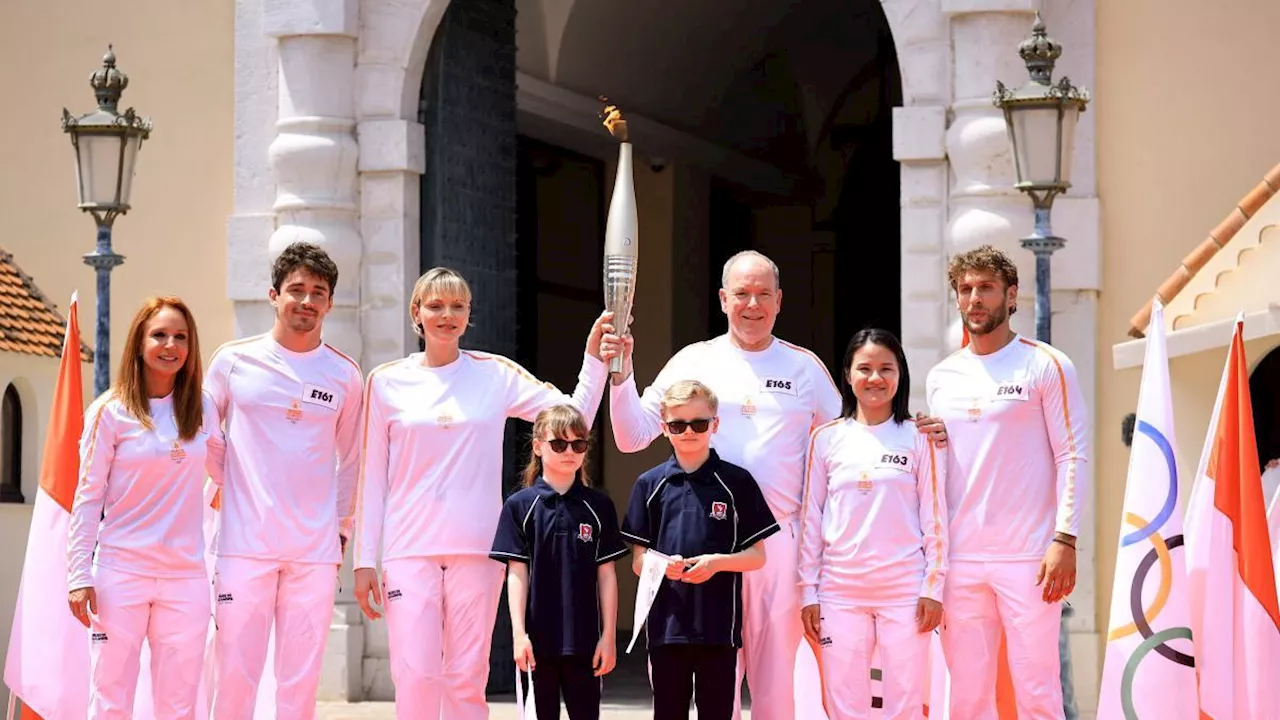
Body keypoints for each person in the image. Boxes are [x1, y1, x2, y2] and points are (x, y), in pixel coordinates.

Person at [607, 249, 948, 719]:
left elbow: (852, 438)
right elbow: (631, 434)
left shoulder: (804, 367)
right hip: (705, 546)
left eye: (763, 294)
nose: (753, 305)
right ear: (723, 299)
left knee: (775, 682)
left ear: (780, 300)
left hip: (778, 543)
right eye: (742, 294)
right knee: (713, 679)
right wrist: (620, 373)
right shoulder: (693, 359)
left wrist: (916, 431)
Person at [351, 267, 619, 719]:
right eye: (435, 305)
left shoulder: (495, 374)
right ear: (416, 313)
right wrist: (363, 560)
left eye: (457, 306)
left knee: (465, 676)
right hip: (407, 550)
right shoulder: (386, 381)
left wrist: (594, 361)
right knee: (415, 674)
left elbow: (571, 421)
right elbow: (372, 474)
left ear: (469, 313)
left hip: (477, 548)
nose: (447, 315)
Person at [926, 244, 1089, 719]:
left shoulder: (1046, 364)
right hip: (960, 560)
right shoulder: (942, 376)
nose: (975, 298)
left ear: (1011, 295)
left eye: (986, 288)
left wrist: (1065, 538)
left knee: (1036, 692)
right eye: (965, 289)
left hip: (1030, 558)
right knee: (968, 698)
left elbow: (1072, 455)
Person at [205, 242, 364, 719]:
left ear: (330, 303)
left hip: (312, 555)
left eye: (318, 292)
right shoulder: (232, 362)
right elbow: (204, 437)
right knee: (234, 679)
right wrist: (233, 488)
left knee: (298, 688)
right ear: (274, 295)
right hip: (241, 549)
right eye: (296, 290)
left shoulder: (344, 375)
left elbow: (352, 460)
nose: (307, 301)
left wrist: (339, 533)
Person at [67, 297, 224, 719]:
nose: (170, 344)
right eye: (159, 335)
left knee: (178, 704)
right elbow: (87, 497)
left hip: (185, 579)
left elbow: (228, 473)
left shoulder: (202, 407)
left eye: (180, 337)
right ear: (139, 343)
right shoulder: (110, 412)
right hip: (121, 575)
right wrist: (79, 575)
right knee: (111, 699)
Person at [798, 328, 947, 720]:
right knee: (844, 706)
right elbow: (810, 519)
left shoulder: (918, 437)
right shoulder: (825, 439)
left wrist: (933, 586)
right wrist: (808, 594)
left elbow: (935, 518)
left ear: (901, 375)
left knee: (906, 707)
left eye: (886, 368)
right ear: (847, 374)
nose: (875, 378)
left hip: (906, 594)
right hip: (839, 593)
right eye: (864, 368)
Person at [621, 380, 778, 720]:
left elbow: (758, 555)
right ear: (664, 429)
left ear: (715, 425)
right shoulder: (650, 484)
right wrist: (663, 566)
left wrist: (717, 563)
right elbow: (638, 561)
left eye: (699, 423)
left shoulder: (737, 482)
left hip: (719, 628)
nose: (688, 431)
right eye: (678, 425)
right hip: (666, 627)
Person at [489, 404, 627, 720]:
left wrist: (607, 637)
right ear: (538, 446)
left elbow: (606, 575)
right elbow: (517, 574)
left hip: (585, 643)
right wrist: (519, 634)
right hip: (536, 646)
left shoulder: (598, 505)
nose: (569, 452)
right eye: (558, 444)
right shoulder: (519, 506)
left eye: (578, 444)